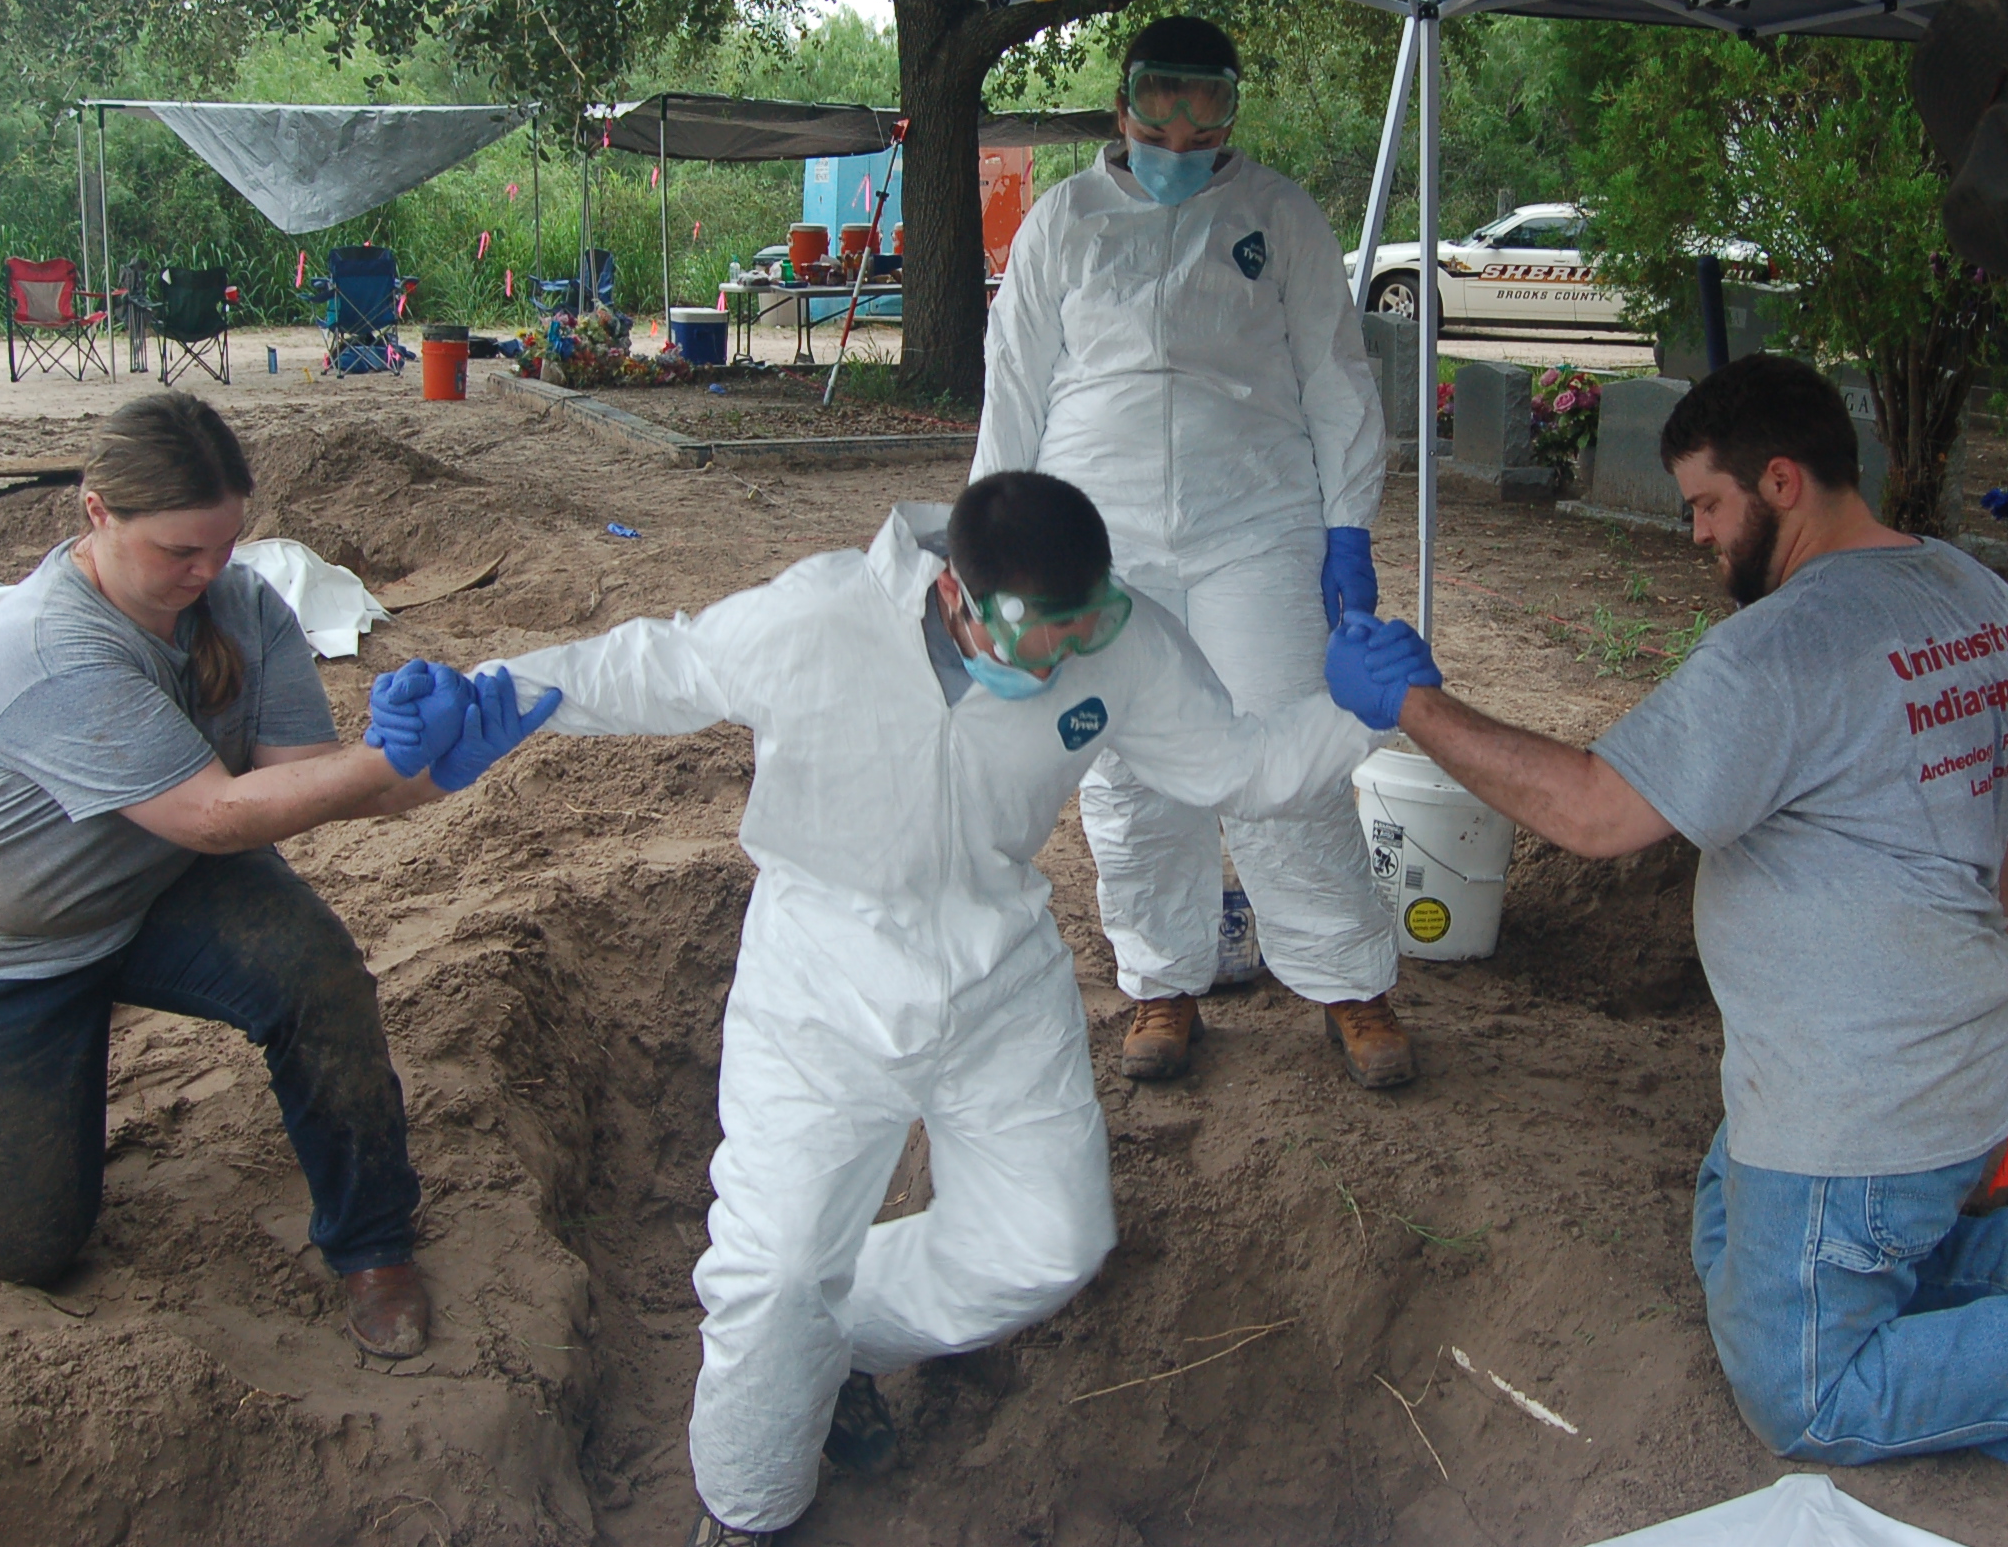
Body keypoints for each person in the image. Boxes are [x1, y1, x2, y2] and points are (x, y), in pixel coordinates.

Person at [1322, 355, 2008, 1542]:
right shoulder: (1970, 593)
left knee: (1803, 1386)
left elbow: (1593, 810)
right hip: (1951, 1063)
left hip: (1862, 1105)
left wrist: (1409, 705)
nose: (1694, 535)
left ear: (1781, 479)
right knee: (1727, 1227)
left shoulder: (1784, 650)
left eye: (1705, 506)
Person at [456, 471, 1383, 1546]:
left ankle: (836, 1340)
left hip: (998, 964)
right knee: (779, 1265)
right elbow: (657, 664)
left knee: (1050, 1239)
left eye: (1084, 629)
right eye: (1034, 638)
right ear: (955, 595)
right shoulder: (819, 618)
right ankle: (750, 1506)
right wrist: (488, 693)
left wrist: (1362, 712)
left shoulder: (1117, 641)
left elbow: (1234, 763)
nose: (1058, 661)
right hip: (820, 970)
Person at [0, 393, 558, 1360]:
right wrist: (389, 761)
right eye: (177, 554)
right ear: (97, 513)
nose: (205, 575)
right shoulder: (49, 647)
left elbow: (295, 781)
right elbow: (211, 816)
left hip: (152, 894)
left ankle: (374, 1244)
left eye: (224, 546)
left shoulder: (241, 605)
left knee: (316, 973)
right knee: (22, 1253)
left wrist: (439, 761)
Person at [972, 13, 1409, 1089]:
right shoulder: (1063, 221)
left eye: (1203, 108)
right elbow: (1013, 387)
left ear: (1230, 113)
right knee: (1125, 755)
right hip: (1094, 525)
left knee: (1282, 743)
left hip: (1252, 518)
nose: (1177, 133)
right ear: (1118, 105)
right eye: (1156, 104)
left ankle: (1349, 982)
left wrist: (1346, 521)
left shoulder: (1277, 212)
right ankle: (1162, 981)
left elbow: (1334, 371)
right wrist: (991, 542)